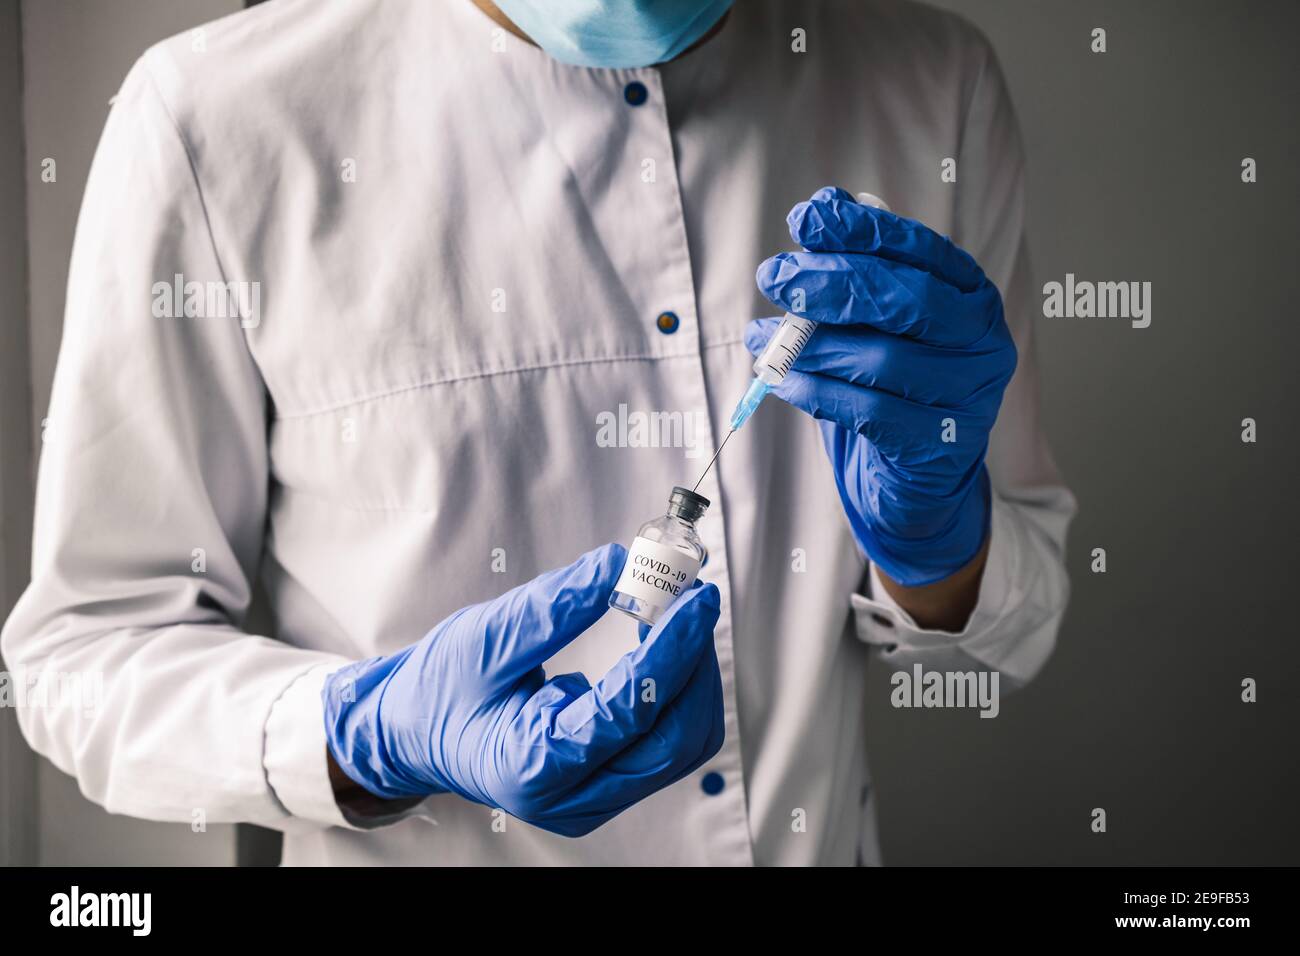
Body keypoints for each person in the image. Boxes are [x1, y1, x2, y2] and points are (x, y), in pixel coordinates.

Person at [1, 0, 1075, 865]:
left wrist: (940, 538)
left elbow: (1016, 633)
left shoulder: (933, 81)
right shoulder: (217, 116)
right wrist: (365, 729)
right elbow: (84, 655)